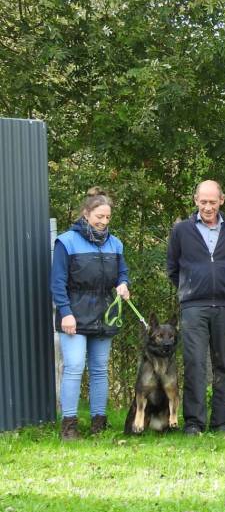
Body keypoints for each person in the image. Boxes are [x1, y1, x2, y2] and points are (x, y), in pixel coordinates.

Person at [51, 188, 131, 440]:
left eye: (107, 217)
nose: (104, 222)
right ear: (86, 214)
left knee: (99, 369)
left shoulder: (115, 243)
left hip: (104, 314)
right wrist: (65, 313)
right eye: (99, 216)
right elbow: (57, 282)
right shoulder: (66, 242)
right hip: (74, 314)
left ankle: (99, 422)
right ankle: (69, 426)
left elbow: (122, 273)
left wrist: (123, 284)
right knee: (74, 367)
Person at [166, 180, 225, 435]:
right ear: (196, 200)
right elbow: (173, 269)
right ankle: (194, 423)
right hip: (193, 306)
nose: (208, 207)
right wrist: (191, 287)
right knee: (195, 364)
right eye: (203, 201)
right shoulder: (181, 230)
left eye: (212, 201)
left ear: (222, 200)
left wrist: (224, 285)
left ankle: (220, 423)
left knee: (223, 365)